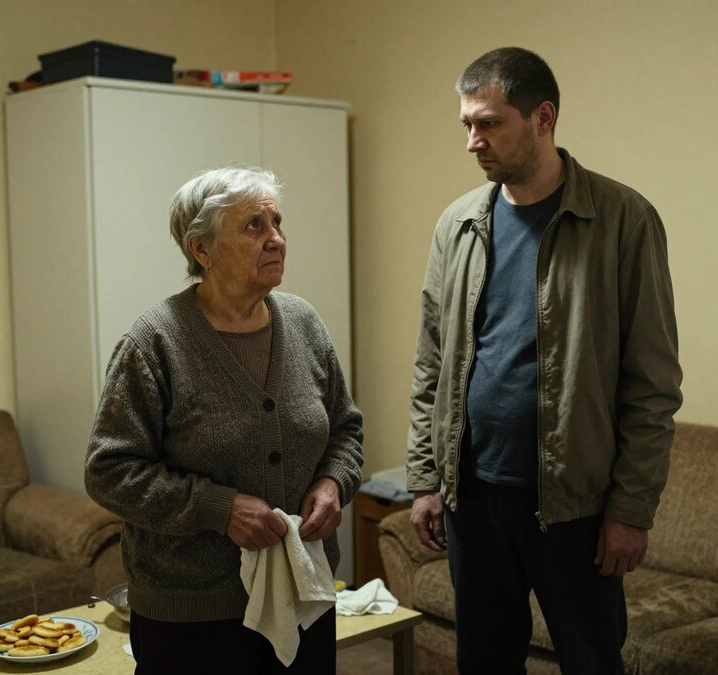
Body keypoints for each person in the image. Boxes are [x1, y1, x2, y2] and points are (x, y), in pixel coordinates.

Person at [405, 47, 683, 674]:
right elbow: (431, 363)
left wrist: (630, 510)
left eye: (489, 123)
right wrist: (425, 479)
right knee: (484, 662)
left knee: (591, 662)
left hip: (573, 508)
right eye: (467, 125)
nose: (473, 142)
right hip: (474, 498)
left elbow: (653, 385)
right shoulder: (458, 224)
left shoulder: (623, 220)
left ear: (543, 117)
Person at [85, 167, 363, 674]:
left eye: (277, 222)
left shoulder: (304, 323)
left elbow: (344, 428)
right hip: (193, 615)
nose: (276, 239)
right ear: (202, 250)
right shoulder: (153, 344)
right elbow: (109, 471)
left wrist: (333, 483)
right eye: (254, 226)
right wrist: (219, 508)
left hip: (304, 593)